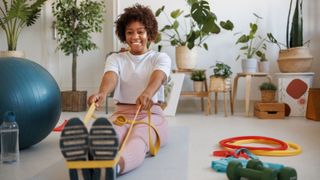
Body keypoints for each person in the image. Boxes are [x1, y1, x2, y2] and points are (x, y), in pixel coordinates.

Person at [87, 4, 171, 175]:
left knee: (138, 139)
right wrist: (102, 92)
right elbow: (111, 76)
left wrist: (147, 93)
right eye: (130, 32)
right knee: (108, 136)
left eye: (140, 31)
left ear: (149, 33)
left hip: (150, 115)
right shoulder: (115, 58)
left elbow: (159, 76)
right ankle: (92, 161)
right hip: (122, 115)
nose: (135, 36)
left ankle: (114, 168)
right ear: (124, 35)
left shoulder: (160, 57)